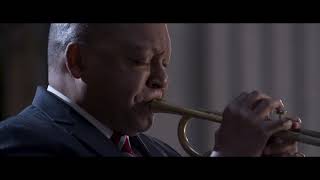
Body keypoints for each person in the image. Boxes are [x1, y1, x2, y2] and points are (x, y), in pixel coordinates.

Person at [0, 23, 302, 157]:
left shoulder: (157, 151)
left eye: (165, 63)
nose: (160, 79)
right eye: (140, 61)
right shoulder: (18, 142)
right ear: (78, 61)